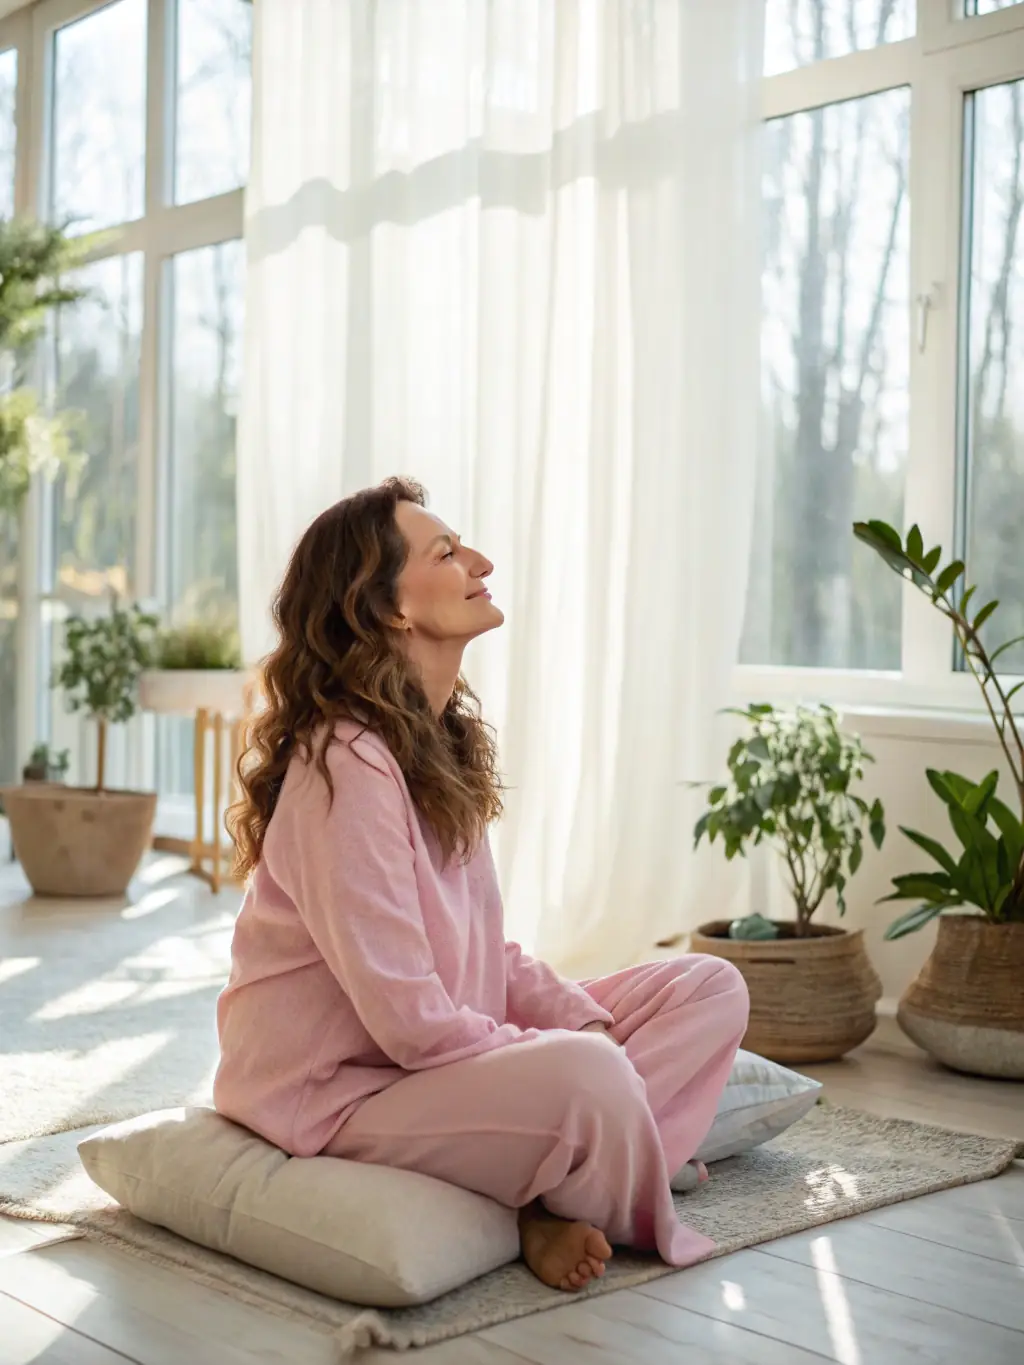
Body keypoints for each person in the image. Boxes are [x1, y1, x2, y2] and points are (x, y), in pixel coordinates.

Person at [216, 477, 749, 1293]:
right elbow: (408, 1022)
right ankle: (560, 1194)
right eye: (447, 550)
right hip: (340, 1094)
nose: (481, 560)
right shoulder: (345, 764)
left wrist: (586, 1019)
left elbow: (485, 951)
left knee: (711, 986)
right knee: (590, 1078)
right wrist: (566, 1052)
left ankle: (578, 1172)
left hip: (429, 1065)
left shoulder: (434, 741)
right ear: (388, 605)